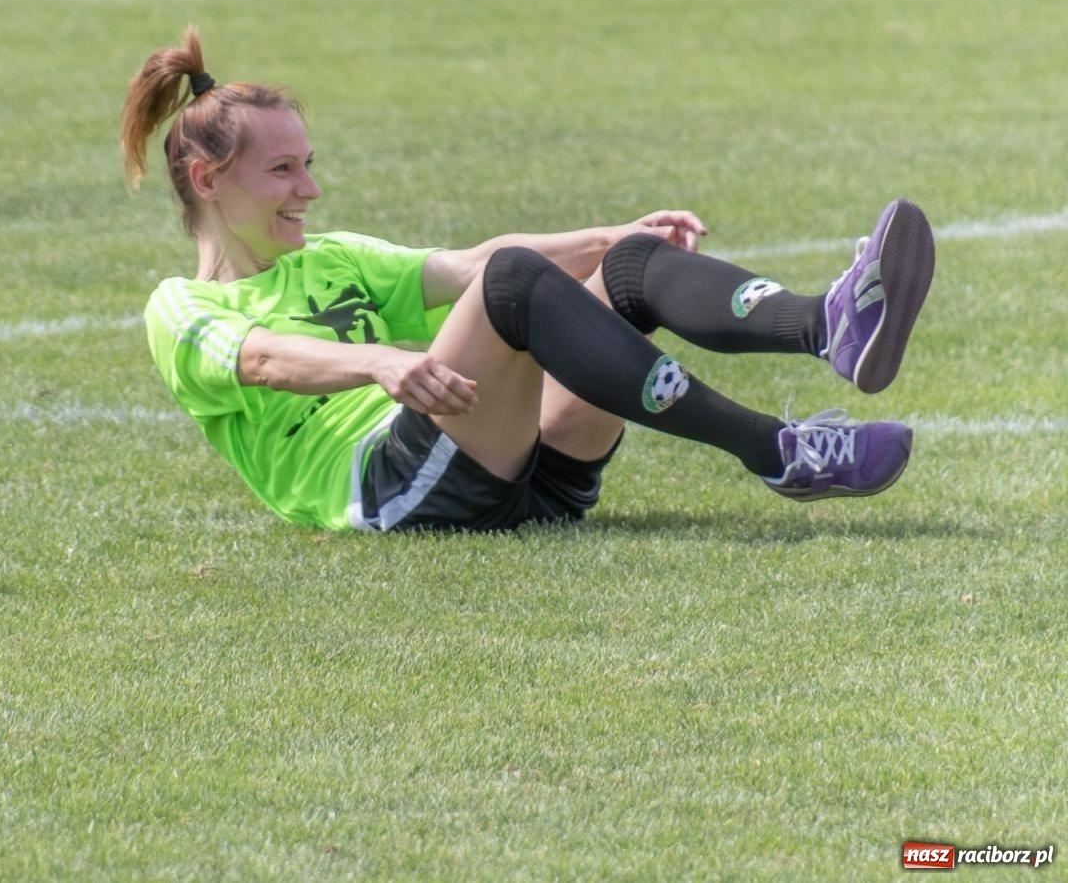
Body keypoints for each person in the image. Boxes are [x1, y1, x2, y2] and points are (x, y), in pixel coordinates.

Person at [121, 28, 936, 532]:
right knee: (516, 283)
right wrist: (379, 361)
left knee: (623, 268)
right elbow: (263, 359)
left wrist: (613, 236)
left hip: (523, 471)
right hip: (396, 489)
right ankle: (778, 451)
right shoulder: (182, 308)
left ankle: (827, 325)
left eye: (308, 164)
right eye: (283, 170)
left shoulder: (331, 257)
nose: (310, 188)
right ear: (208, 180)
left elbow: (471, 264)